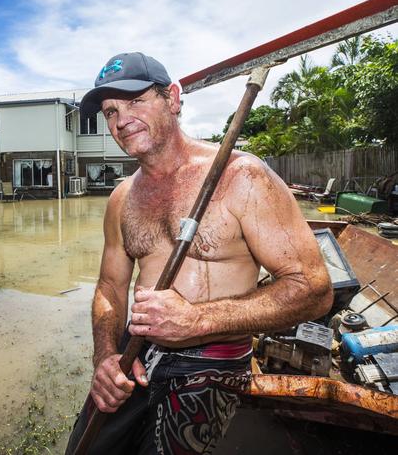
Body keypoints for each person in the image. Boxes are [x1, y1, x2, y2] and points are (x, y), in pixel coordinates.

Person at [66, 52, 333, 454]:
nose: (121, 120)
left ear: (173, 98)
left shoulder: (241, 176)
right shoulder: (122, 198)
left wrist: (197, 320)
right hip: (136, 350)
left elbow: (314, 289)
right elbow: (110, 286)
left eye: (136, 101)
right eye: (110, 111)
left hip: (212, 360)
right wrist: (105, 355)